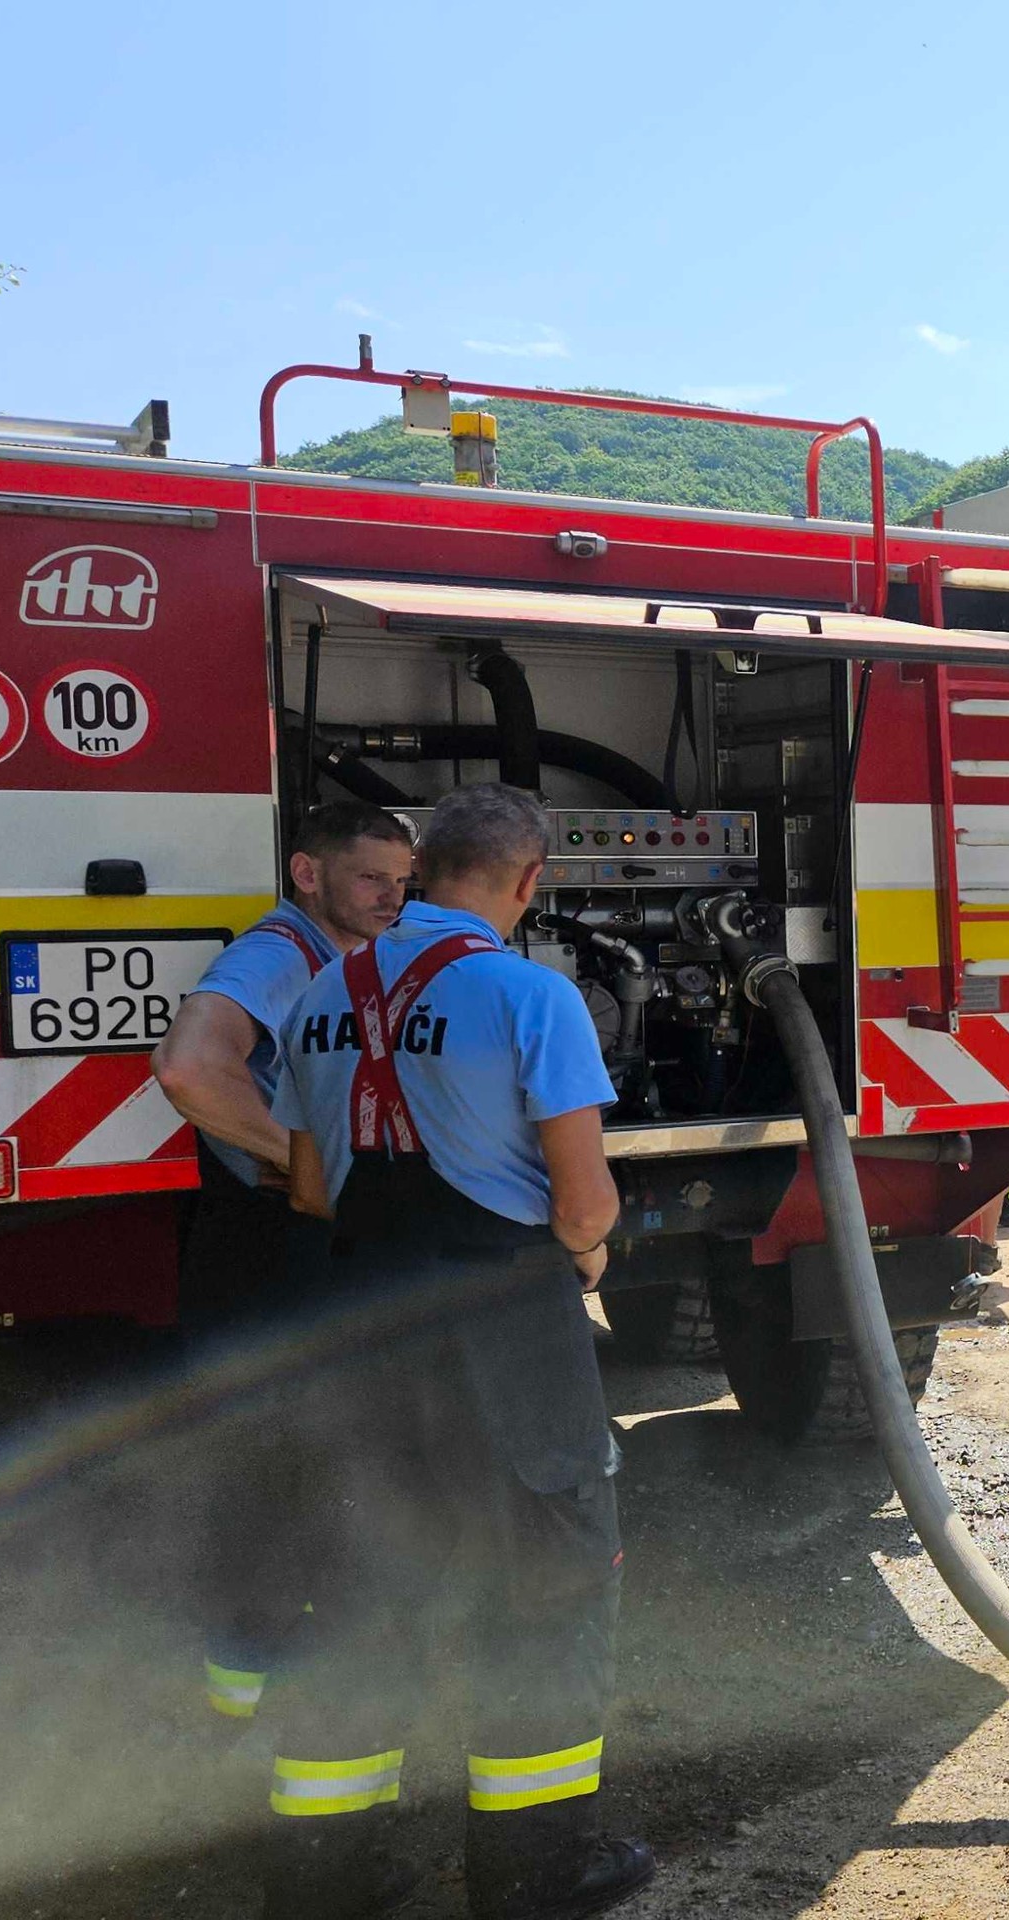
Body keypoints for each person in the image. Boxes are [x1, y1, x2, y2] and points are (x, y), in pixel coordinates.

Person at [260, 785, 654, 1919]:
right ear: (528, 883)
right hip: (504, 1337)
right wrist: (582, 1261)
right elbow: (583, 1207)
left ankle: (325, 1878)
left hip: (359, 1329)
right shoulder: (531, 996)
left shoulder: (318, 991)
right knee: (546, 1586)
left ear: (425, 869)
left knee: (357, 1593)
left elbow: (305, 1186)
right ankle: (532, 1873)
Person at [149, 801, 415, 1727]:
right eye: (372, 878)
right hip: (266, 1243)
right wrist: (310, 1167)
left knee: (297, 1462)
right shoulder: (277, 952)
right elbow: (188, 1069)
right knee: (276, 1469)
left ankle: (250, 1687)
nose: (393, 897)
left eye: (403, 879)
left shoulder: (349, 951)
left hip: (291, 1237)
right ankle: (253, 1693)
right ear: (308, 874)